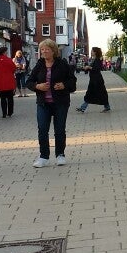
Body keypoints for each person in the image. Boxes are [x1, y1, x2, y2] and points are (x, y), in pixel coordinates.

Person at [26, 39, 77, 167]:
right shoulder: (39, 65)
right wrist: (38, 86)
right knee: (42, 129)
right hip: (43, 103)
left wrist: (64, 85)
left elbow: (73, 82)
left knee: (59, 129)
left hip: (60, 102)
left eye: (46, 49)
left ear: (53, 51)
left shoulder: (62, 64)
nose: (44, 52)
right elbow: (29, 82)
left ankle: (60, 154)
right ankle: (43, 156)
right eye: (42, 49)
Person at [76, 46, 110, 113]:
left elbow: (97, 69)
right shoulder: (93, 59)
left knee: (101, 93)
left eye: (92, 51)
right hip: (93, 79)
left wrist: (89, 67)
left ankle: (107, 106)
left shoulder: (98, 59)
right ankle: (83, 107)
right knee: (90, 93)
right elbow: (92, 68)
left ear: (95, 52)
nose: (91, 52)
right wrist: (86, 68)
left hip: (97, 80)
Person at [0, 46, 18, 117]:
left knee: (2, 98)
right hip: (9, 81)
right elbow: (14, 69)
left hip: (0, 81)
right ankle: (10, 112)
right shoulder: (9, 60)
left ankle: (4, 113)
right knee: (10, 98)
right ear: (4, 52)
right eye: (6, 52)